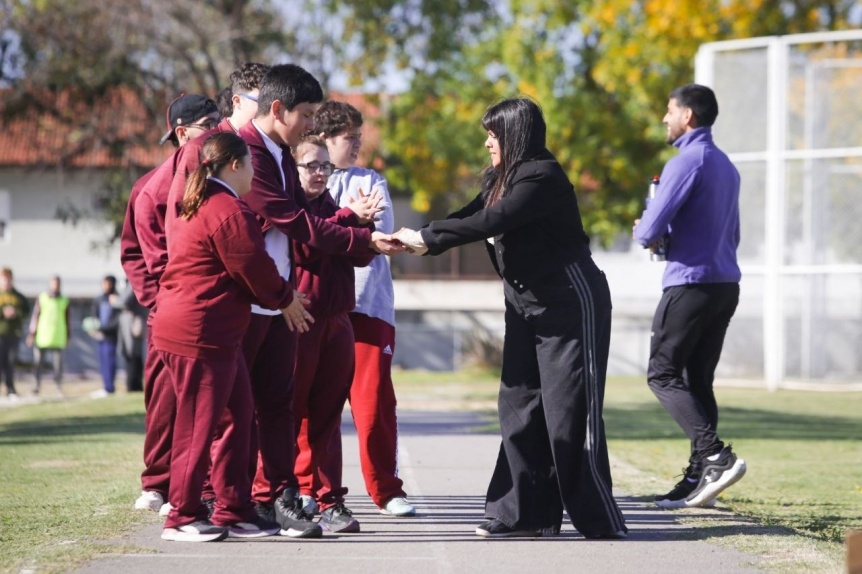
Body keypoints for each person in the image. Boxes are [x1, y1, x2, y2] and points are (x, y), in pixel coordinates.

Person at [394, 98, 627, 539]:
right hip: (524, 303)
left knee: (568, 413)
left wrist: (426, 237)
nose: (486, 142)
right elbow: (474, 214)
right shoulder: (503, 179)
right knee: (517, 404)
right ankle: (522, 514)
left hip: (569, 302)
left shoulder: (543, 176)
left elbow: (496, 219)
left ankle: (599, 520)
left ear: (516, 134)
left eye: (493, 134)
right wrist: (414, 241)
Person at [153, 131, 309, 542]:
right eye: (253, 165)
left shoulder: (204, 201)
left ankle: (232, 510)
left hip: (211, 332)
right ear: (235, 165)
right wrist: (286, 298)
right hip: (199, 332)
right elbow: (253, 267)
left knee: (237, 417)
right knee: (197, 425)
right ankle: (182, 516)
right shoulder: (225, 208)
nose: (256, 172)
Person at [633, 83, 746, 509]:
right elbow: (730, 232)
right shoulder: (725, 165)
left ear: (688, 117)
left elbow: (649, 229)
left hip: (689, 284)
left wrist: (646, 231)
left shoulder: (686, 162)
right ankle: (703, 479)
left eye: (669, 110)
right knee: (697, 380)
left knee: (661, 374)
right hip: (724, 285)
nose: (665, 118)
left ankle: (716, 456)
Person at [122, 91, 221, 516]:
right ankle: (158, 482)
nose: (220, 131)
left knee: (214, 403)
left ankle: (206, 487)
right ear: (183, 133)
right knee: (165, 400)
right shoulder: (152, 188)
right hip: (172, 310)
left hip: (215, 308)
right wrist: (159, 301)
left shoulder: (224, 178)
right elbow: (137, 254)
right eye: (210, 124)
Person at [316, 100, 415, 517]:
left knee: (374, 405)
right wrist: (352, 220)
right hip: (323, 308)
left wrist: (351, 226)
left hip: (369, 308)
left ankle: (386, 490)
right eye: (347, 138)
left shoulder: (372, 179)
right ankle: (318, 492)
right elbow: (311, 236)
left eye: (359, 136)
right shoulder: (305, 180)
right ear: (323, 139)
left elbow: (384, 238)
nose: (357, 144)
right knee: (317, 408)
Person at [290, 135, 376, 533]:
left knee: (328, 415)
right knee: (292, 413)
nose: (321, 173)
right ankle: (288, 494)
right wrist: (347, 222)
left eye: (327, 166)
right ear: (295, 168)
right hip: (300, 322)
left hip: (338, 320)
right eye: (313, 165)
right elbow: (308, 245)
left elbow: (360, 254)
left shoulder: (332, 207)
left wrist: (363, 222)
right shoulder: (291, 209)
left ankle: (329, 499)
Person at [27, 275, 70, 396]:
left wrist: (68, 336)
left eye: (57, 283)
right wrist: (32, 334)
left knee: (57, 365)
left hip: (58, 337)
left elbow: (68, 320)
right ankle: (36, 386)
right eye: (53, 283)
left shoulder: (64, 300)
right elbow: (35, 317)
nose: (55, 286)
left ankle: (58, 387)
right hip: (42, 337)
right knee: (38, 364)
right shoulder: (42, 298)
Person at [0, 267, 30, 399]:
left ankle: (10, 388)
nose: (7, 283)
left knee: (10, 362)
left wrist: (16, 313)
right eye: (4, 280)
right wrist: (3, 313)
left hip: (13, 334)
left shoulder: (18, 296)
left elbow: (26, 312)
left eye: (9, 280)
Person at [91, 275, 121, 398]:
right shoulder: (99, 300)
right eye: (104, 283)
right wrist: (94, 327)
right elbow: (94, 316)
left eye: (108, 284)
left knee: (110, 362)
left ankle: (110, 387)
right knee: (103, 362)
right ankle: (105, 386)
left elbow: (117, 319)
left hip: (111, 336)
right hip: (101, 336)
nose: (106, 286)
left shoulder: (116, 299)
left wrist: (105, 328)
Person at [117, 280, 147, 393]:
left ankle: (133, 385)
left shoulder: (133, 283)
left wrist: (115, 300)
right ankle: (134, 384)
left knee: (133, 354)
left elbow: (122, 302)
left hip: (133, 324)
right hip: (133, 324)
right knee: (133, 355)